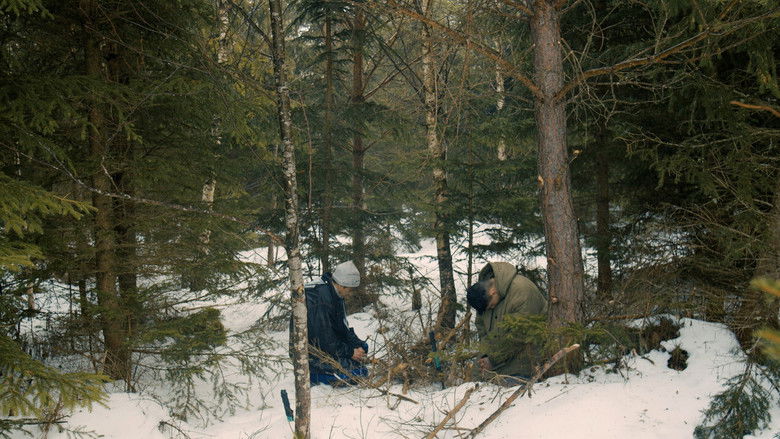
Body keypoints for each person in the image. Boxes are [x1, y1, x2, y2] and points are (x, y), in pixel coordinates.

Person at [466, 261, 548, 384]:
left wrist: (492, 359)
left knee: (500, 392)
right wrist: (483, 360)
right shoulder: (483, 296)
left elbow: (520, 335)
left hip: (527, 361)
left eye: (491, 306)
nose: (491, 309)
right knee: (475, 387)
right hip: (500, 359)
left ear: (493, 291)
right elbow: (483, 333)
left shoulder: (522, 291)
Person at [300, 260, 369, 386]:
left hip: (329, 346)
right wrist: (350, 352)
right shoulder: (320, 299)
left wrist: (356, 345)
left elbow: (341, 327)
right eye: (350, 290)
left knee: (363, 349)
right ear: (342, 285)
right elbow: (324, 340)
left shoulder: (334, 294)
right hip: (312, 355)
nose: (351, 294)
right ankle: (315, 375)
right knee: (359, 373)